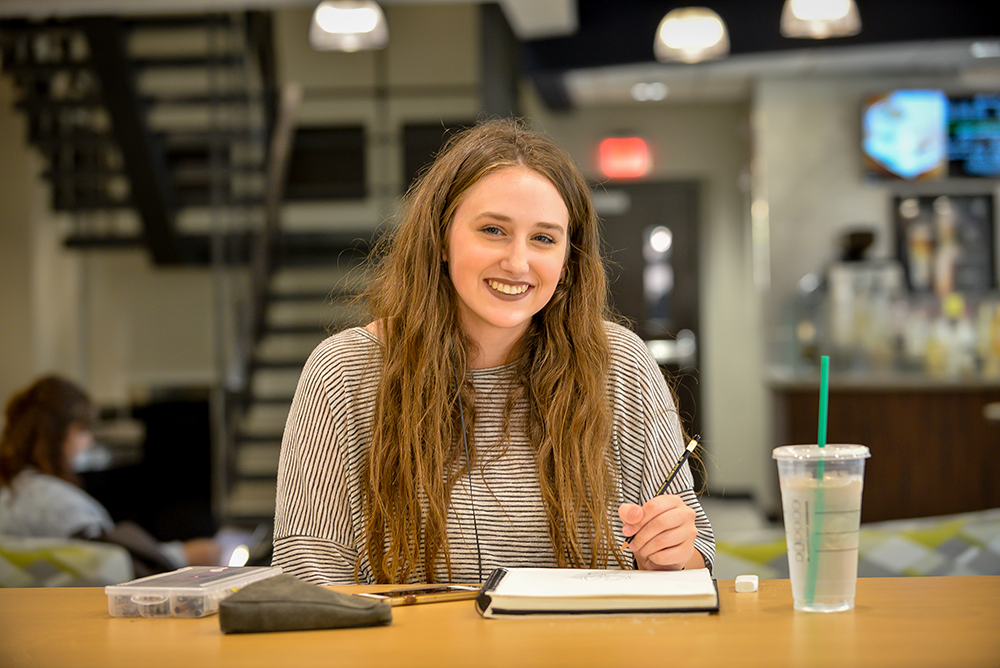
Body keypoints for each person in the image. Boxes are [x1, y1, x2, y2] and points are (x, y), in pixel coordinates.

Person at [273, 117, 714, 585]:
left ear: (567, 260)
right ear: (442, 239)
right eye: (493, 230)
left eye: (544, 238)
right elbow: (307, 578)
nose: (518, 262)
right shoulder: (346, 373)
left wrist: (670, 556)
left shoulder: (620, 364)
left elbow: (697, 556)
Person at [0, 375, 222, 573]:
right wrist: (186, 555)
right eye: (82, 430)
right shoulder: (53, 501)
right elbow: (115, 563)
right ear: (56, 435)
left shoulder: (10, 494)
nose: (89, 442)